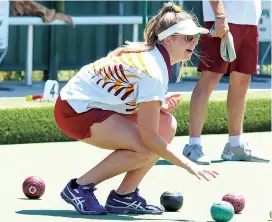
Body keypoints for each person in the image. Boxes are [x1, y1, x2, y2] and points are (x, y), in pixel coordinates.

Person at [54, 2, 218, 216]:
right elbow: (150, 138)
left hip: (93, 106)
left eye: (196, 37)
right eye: (188, 37)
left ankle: (124, 196)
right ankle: (79, 187)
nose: (195, 42)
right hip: (73, 111)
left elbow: (118, 91)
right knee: (147, 147)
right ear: (168, 39)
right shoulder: (152, 71)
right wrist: (190, 165)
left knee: (167, 125)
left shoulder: (155, 59)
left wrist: (156, 103)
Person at [182, 0, 270, 165]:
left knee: (242, 82)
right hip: (222, 21)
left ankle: (235, 145)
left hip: (250, 21)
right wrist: (220, 14)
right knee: (208, 80)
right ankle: (192, 146)